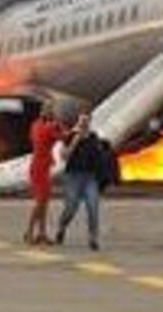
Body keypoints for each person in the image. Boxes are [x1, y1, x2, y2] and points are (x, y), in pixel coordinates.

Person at [56, 113, 113, 251]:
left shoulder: (93, 138)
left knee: (93, 207)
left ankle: (93, 238)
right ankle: (62, 227)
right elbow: (63, 156)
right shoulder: (70, 136)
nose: (84, 124)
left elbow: (99, 157)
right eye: (82, 121)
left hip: (90, 177)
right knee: (71, 207)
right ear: (78, 122)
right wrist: (75, 140)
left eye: (86, 121)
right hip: (73, 176)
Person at [23, 104, 66, 245]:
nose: (51, 113)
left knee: (44, 203)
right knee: (41, 202)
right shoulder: (50, 127)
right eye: (49, 111)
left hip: (39, 165)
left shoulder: (35, 125)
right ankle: (29, 232)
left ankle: (42, 233)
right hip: (40, 167)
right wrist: (61, 125)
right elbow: (64, 137)